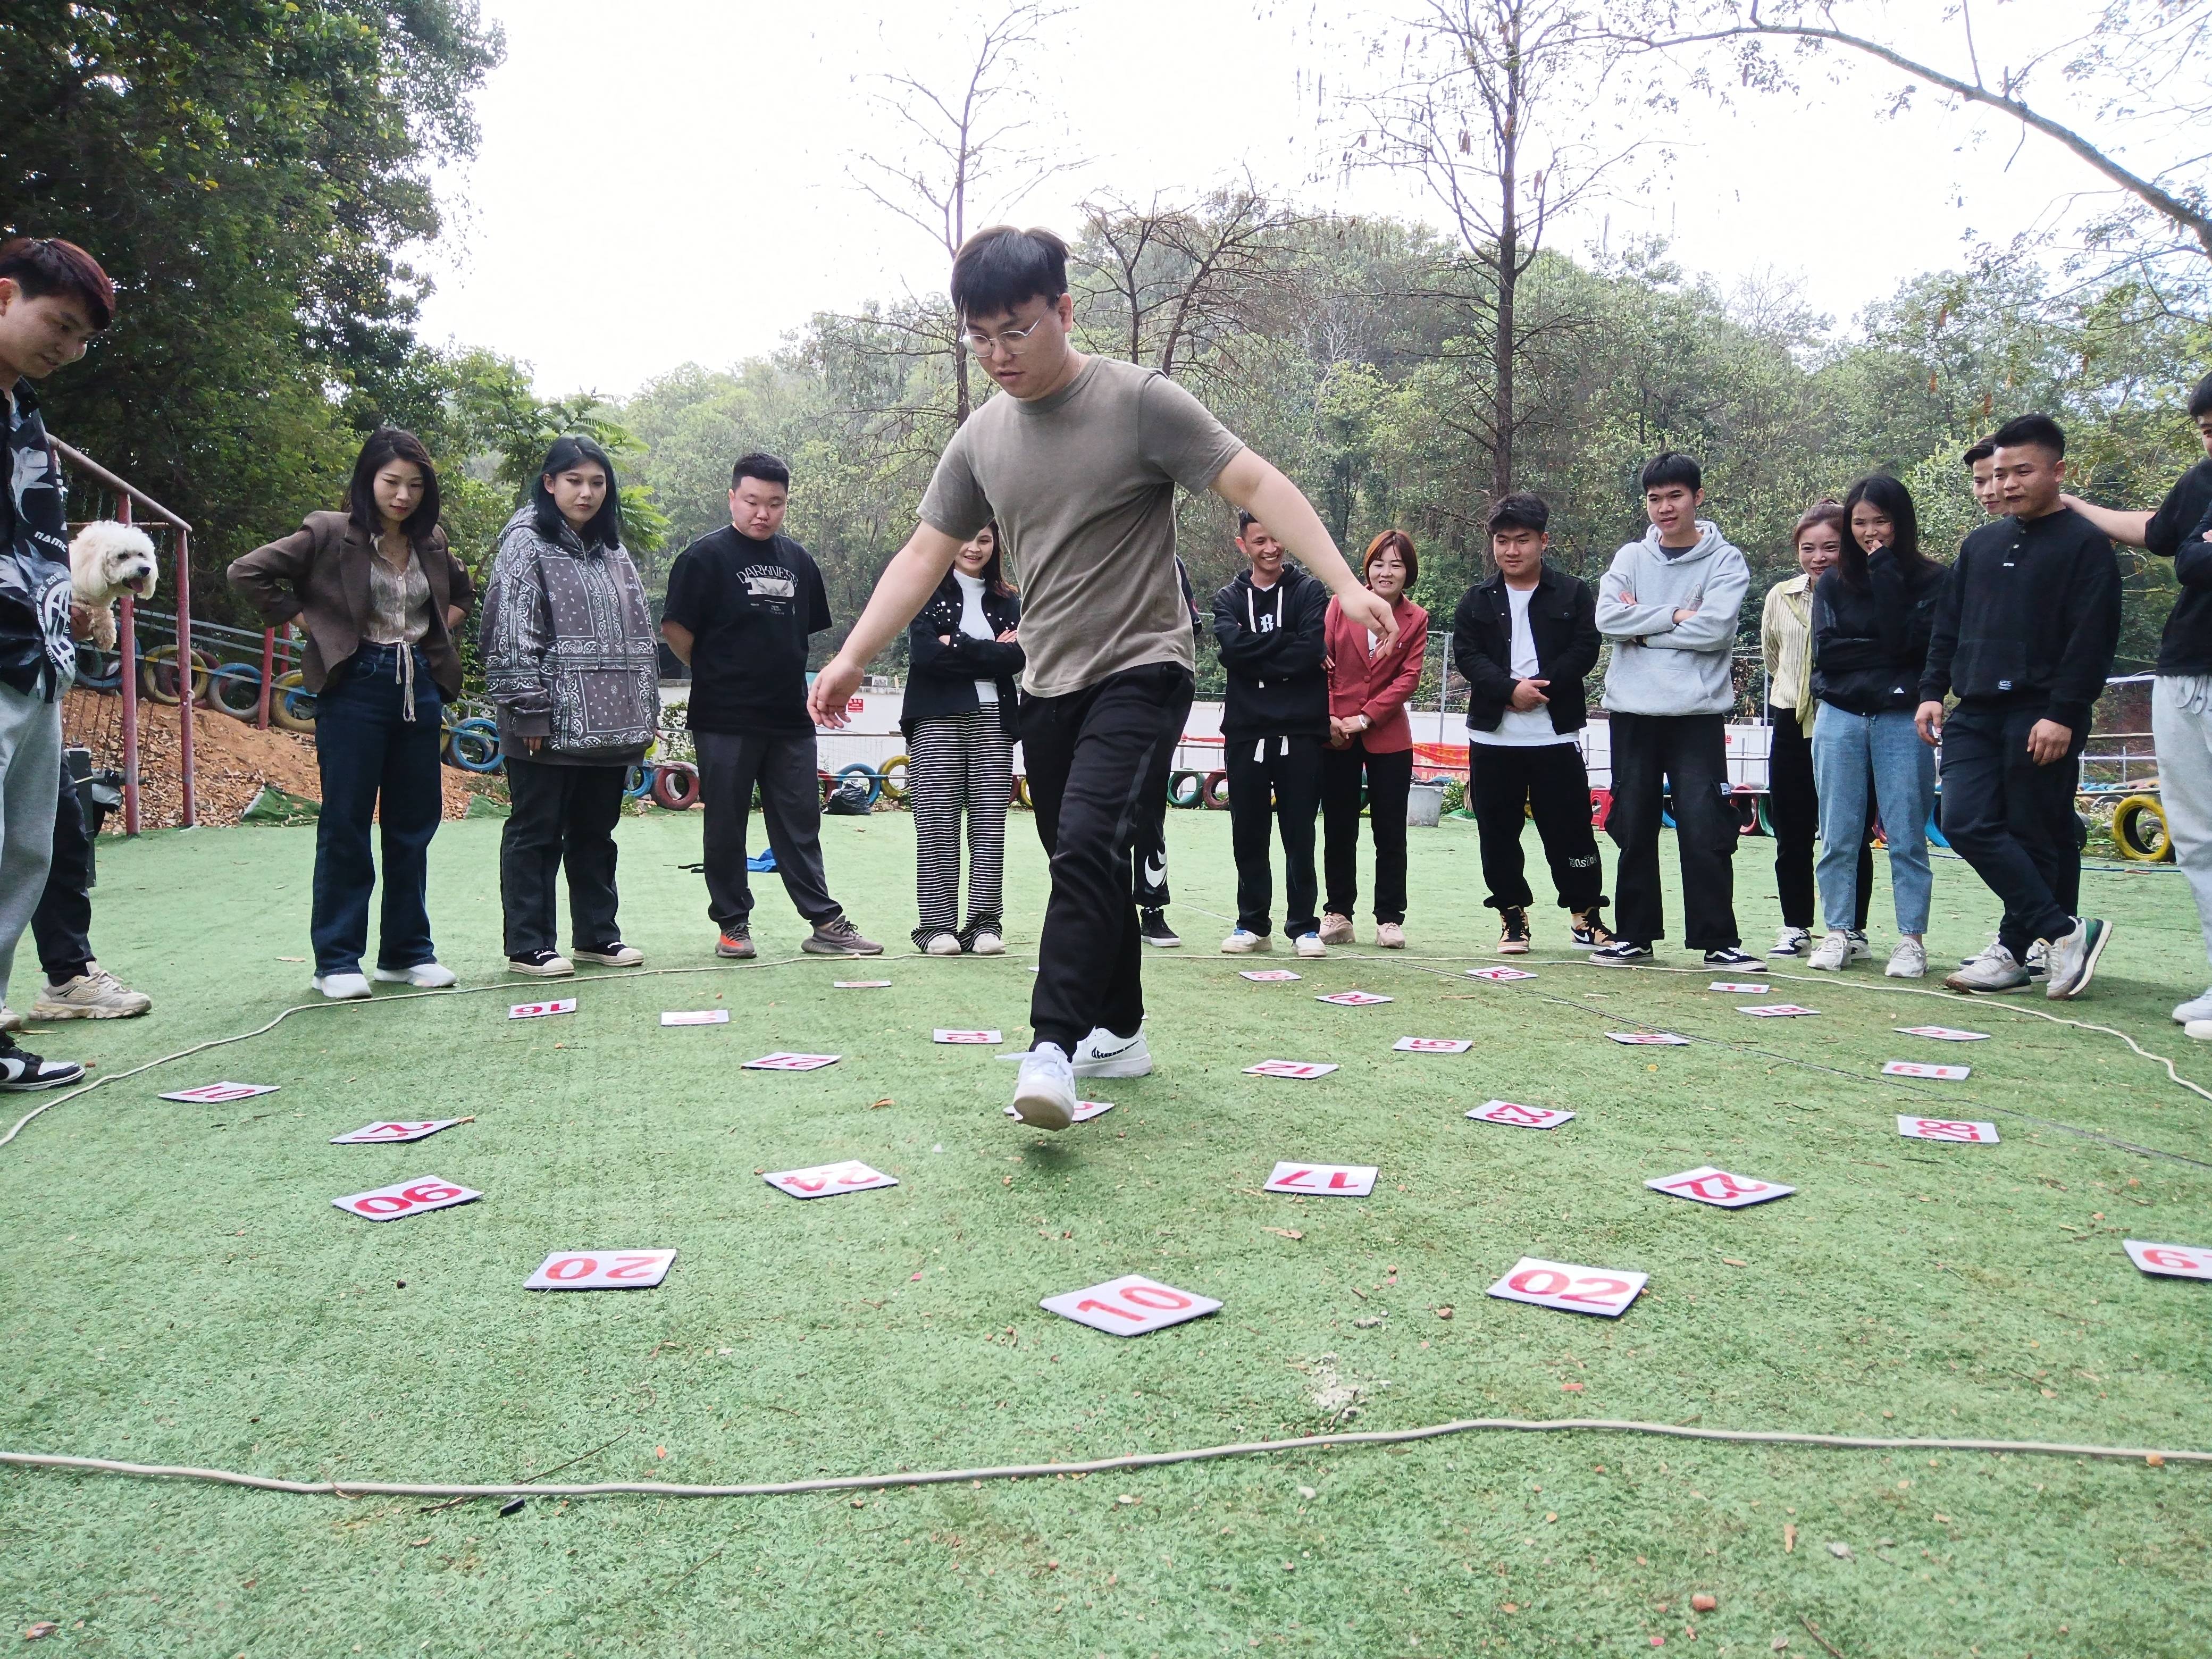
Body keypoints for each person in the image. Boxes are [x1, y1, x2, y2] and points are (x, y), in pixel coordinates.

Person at [807, 224, 1396, 1131]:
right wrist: (851, 655)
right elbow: (924, 553)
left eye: (1017, 330)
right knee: (1083, 857)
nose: (999, 355)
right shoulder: (979, 440)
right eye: (980, 337)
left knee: (1085, 841)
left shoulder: (1138, 403)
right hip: (1047, 684)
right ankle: (1121, 1028)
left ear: (1064, 311)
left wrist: (1348, 584)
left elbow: (1257, 484)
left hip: (1143, 666)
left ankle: (1053, 1046)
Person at [231, 427, 475, 998]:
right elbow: (247, 572)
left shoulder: (431, 542)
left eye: (415, 485)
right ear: (368, 479)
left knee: (413, 826)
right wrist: (312, 624)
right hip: (353, 687)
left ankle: (406, 955)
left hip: (418, 687)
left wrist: (434, 633)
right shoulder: (327, 531)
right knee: (346, 824)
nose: (403, 495)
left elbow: (461, 594)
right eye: (392, 482)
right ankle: (337, 962)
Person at [1919, 413, 2120, 998]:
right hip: (1974, 709)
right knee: (1963, 822)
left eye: (2020, 472)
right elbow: (1947, 626)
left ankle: (2012, 952)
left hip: (2041, 711)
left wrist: (2064, 711)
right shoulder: (1980, 543)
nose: (2005, 485)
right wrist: (1932, 691)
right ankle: (2060, 931)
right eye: (1999, 473)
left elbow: (2093, 637)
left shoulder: (2084, 545)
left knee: (2033, 832)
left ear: (2057, 471)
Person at [660, 454, 881, 959]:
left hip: (789, 717)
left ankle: (824, 922)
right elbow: (676, 629)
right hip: (725, 716)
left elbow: (800, 634)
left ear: (786, 504)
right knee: (726, 823)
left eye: (775, 504)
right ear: (733, 498)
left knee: (800, 819)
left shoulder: (799, 561)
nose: (763, 513)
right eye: (753, 501)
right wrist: (717, 669)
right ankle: (733, 924)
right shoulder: (704, 557)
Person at [0, 236, 118, 1089]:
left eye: (83, 340)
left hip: (34, 662)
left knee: (23, 854)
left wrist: (70, 606)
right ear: (5, 295)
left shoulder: (27, 416)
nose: (70, 349)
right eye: (60, 325)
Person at [2060, 371, 2212, 1023]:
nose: (2208, 437)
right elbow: (2156, 532)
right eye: (2204, 427)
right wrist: (2074, 507)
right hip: (2181, 670)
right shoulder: (2202, 480)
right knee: (2198, 836)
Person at [481, 436, 660, 978]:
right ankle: (528, 945)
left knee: (595, 833)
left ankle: (597, 936)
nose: (586, 493)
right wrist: (527, 709)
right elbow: (510, 631)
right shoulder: (524, 544)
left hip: (609, 728)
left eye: (597, 482)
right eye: (575, 481)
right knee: (536, 831)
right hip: (545, 724)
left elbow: (640, 633)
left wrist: (643, 710)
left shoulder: (613, 550)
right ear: (549, 484)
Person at [1590, 452, 1758, 968]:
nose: (1664, 508)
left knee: (1705, 825)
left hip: (1695, 715)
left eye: (1674, 496)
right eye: (1654, 498)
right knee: (1633, 824)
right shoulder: (1630, 558)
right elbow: (1604, 618)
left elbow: (1714, 631)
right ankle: (1634, 936)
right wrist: (1671, 616)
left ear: (1697, 498)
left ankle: (1717, 941)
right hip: (1631, 714)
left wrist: (1639, 629)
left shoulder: (1724, 560)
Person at [1452, 495, 1612, 954]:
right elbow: (1468, 655)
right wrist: (1507, 690)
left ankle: (1586, 917)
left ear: (1543, 541)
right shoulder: (1477, 600)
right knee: (1498, 832)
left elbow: (1585, 648)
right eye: (1502, 541)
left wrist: (1541, 687)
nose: (1512, 550)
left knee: (1571, 830)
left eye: (1522, 540)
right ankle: (1512, 916)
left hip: (1554, 733)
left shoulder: (1573, 592)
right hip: (1493, 736)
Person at [1806, 475, 1949, 977]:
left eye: (1881, 522)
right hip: (1840, 714)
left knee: (1907, 832)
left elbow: (1919, 647)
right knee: (1838, 830)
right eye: (1860, 522)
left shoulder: (1932, 580)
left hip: (1901, 716)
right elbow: (1828, 652)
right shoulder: (1832, 581)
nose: (1870, 533)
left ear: (1901, 523)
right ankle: (1838, 930)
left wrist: (1885, 573)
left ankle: (1911, 938)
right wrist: (1885, 648)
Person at [898, 520, 1022, 955]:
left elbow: (1021, 655)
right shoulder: (925, 590)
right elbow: (926, 655)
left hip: (996, 719)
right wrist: (992, 651)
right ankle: (936, 928)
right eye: (967, 539)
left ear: (995, 544)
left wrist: (961, 644)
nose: (974, 548)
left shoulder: (1009, 600)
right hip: (936, 716)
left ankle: (985, 924)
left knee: (989, 826)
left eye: (984, 540)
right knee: (937, 824)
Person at [1213, 512, 1330, 957]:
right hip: (1246, 729)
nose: (1270, 548)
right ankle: (1251, 924)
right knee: (1248, 828)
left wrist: (1254, 655)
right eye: (1259, 541)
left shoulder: (1308, 590)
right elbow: (1231, 649)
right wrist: (1285, 643)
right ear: (1243, 545)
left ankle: (1304, 926)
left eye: (1276, 538)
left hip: (1299, 729)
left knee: (1299, 829)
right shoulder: (1228, 598)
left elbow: (1312, 649)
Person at [1759, 501, 1872, 959]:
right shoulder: (1780, 596)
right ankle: (1796, 925)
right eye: (1809, 548)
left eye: (1830, 547)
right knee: (1792, 830)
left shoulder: (1865, 595)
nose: (1819, 557)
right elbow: (1773, 656)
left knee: (1849, 831)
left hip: (1846, 720)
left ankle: (1853, 929)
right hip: (1791, 721)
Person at [1320, 530, 1429, 949]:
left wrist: (1365, 719)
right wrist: (1331, 715)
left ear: (1408, 573)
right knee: (1339, 827)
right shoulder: (1339, 605)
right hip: (1334, 734)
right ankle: (1338, 913)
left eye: (1397, 565)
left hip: (1387, 736)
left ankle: (1389, 918)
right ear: (1366, 567)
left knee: (1390, 830)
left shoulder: (1416, 619)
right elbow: (1324, 663)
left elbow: (1409, 679)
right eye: (1379, 563)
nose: (1386, 572)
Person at [1130, 555, 1203, 948]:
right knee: (1100, 807)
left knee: (1148, 799)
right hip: (1098, 689)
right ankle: (1100, 910)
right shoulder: (1091, 550)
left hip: (1163, 689)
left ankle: (1152, 908)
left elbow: (1193, 623)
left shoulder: (1172, 563)